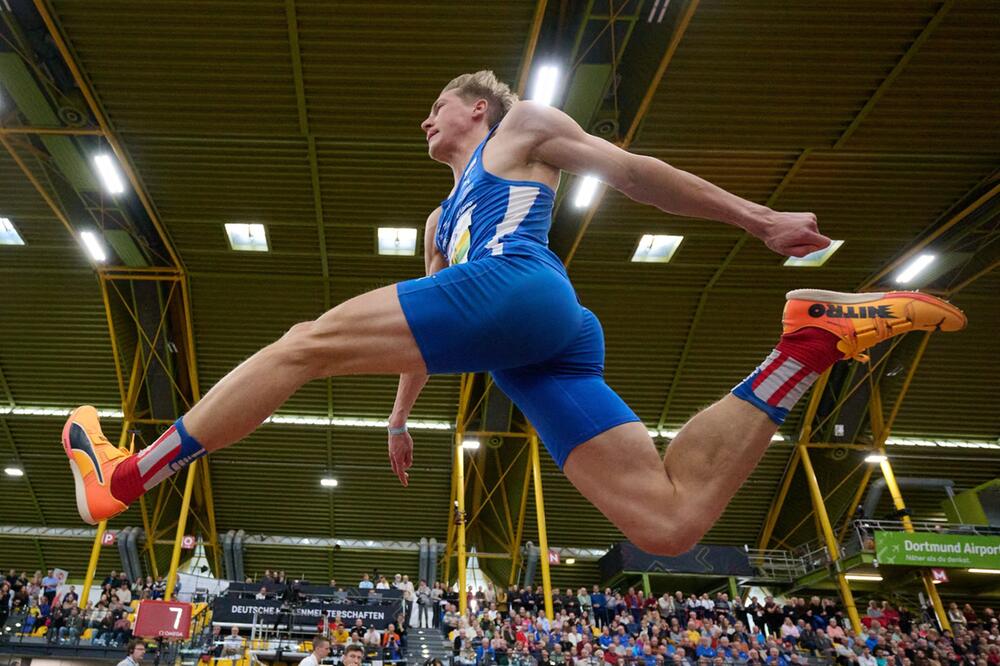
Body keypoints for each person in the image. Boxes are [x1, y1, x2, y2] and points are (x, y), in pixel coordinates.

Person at [61, 70, 967, 555]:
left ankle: (128, 476)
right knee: (666, 524)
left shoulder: (520, 129)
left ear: (479, 106)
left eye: (435, 108)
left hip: (522, 288)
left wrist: (755, 217)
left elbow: (636, 175)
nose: (424, 122)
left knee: (300, 345)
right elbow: (427, 330)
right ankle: (808, 342)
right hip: (529, 340)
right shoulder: (435, 221)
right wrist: (400, 416)